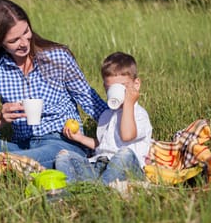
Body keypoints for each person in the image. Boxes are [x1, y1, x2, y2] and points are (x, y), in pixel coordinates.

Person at [0, 0, 108, 176]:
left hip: (62, 143)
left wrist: (122, 132)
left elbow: (89, 100)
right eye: (14, 40)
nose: (24, 42)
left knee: (16, 158)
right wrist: (2, 118)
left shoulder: (57, 57)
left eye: (26, 32)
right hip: (21, 145)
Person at [55, 52, 152, 185]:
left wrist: (128, 104)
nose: (116, 92)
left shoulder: (139, 114)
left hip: (128, 167)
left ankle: (101, 189)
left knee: (124, 154)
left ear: (136, 84)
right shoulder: (107, 114)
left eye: (123, 87)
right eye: (111, 88)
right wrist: (79, 138)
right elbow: (103, 144)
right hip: (100, 165)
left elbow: (127, 136)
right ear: (105, 88)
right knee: (64, 156)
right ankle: (74, 188)